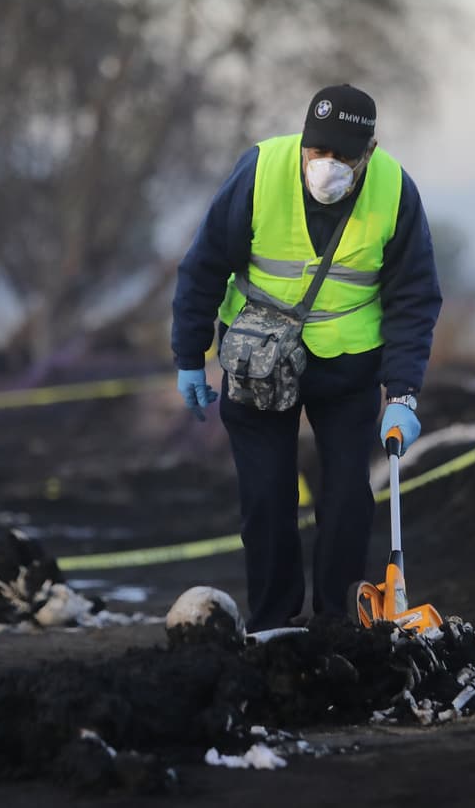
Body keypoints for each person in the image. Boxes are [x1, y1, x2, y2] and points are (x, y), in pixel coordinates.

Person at [171, 84, 441, 632]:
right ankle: (273, 621)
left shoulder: (394, 191)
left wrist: (404, 393)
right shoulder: (260, 170)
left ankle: (337, 620)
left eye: (342, 155)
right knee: (267, 498)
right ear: (303, 141)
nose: (326, 165)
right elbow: (202, 267)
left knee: (347, 499)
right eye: (317, 151)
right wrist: (189, 355)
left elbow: (414, 299)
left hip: (348, 367)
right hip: (258, 362)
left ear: (369, 151)